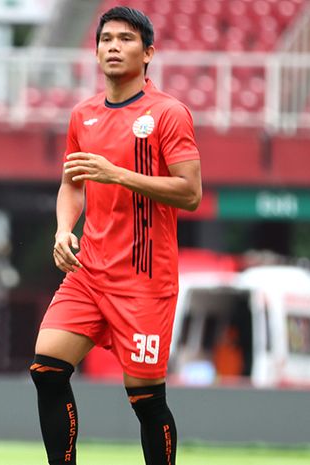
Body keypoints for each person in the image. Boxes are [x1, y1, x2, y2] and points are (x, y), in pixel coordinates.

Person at [30, 6, 201, 465]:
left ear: (148, 53)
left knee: (145, 399)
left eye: (126, 39)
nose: (113, 47)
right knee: (47, 367)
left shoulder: (168, 114)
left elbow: (190, 193)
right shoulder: (82, 114)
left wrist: (118, 174)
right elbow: (72, 182)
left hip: (144, 279)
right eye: (106, 39)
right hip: (89, 272)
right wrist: (64, 230)